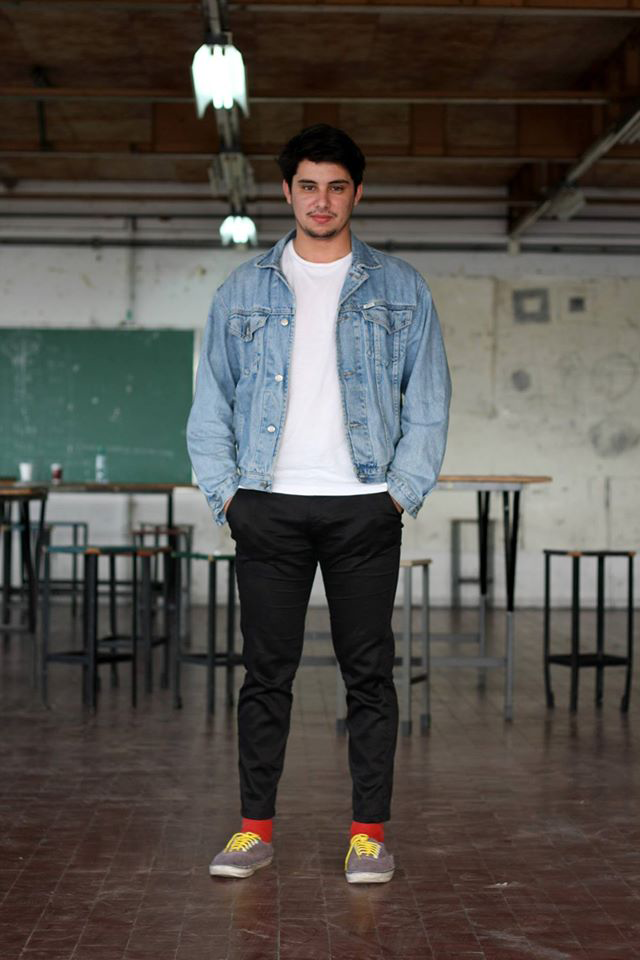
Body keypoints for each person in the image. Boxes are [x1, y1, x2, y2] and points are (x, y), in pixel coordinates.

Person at [187, 124, 451, 884]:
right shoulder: (243, 290)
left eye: (336, 187)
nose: (322, 201)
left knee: (368, 674)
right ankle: (253, 830)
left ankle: (368, 836)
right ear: (287, 192)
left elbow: (429, 402)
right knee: (265, 674)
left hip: (364, 508)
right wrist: (227, 497)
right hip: (267, 506)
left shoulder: (401, 287)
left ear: (357, 194)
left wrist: (399, 496)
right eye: (308, 186)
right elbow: (210, 403)